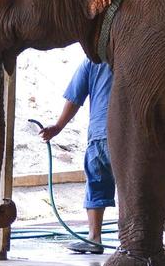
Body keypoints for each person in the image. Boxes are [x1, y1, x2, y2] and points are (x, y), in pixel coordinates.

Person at [39, 59, 114, 254]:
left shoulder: (93, 60)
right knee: (133, 189)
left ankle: (94, 238)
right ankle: (135, 241)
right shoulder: (134, 51)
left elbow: (74, 97)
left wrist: (57, 127)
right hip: (130, 137)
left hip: (99, 135)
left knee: (97, 184)